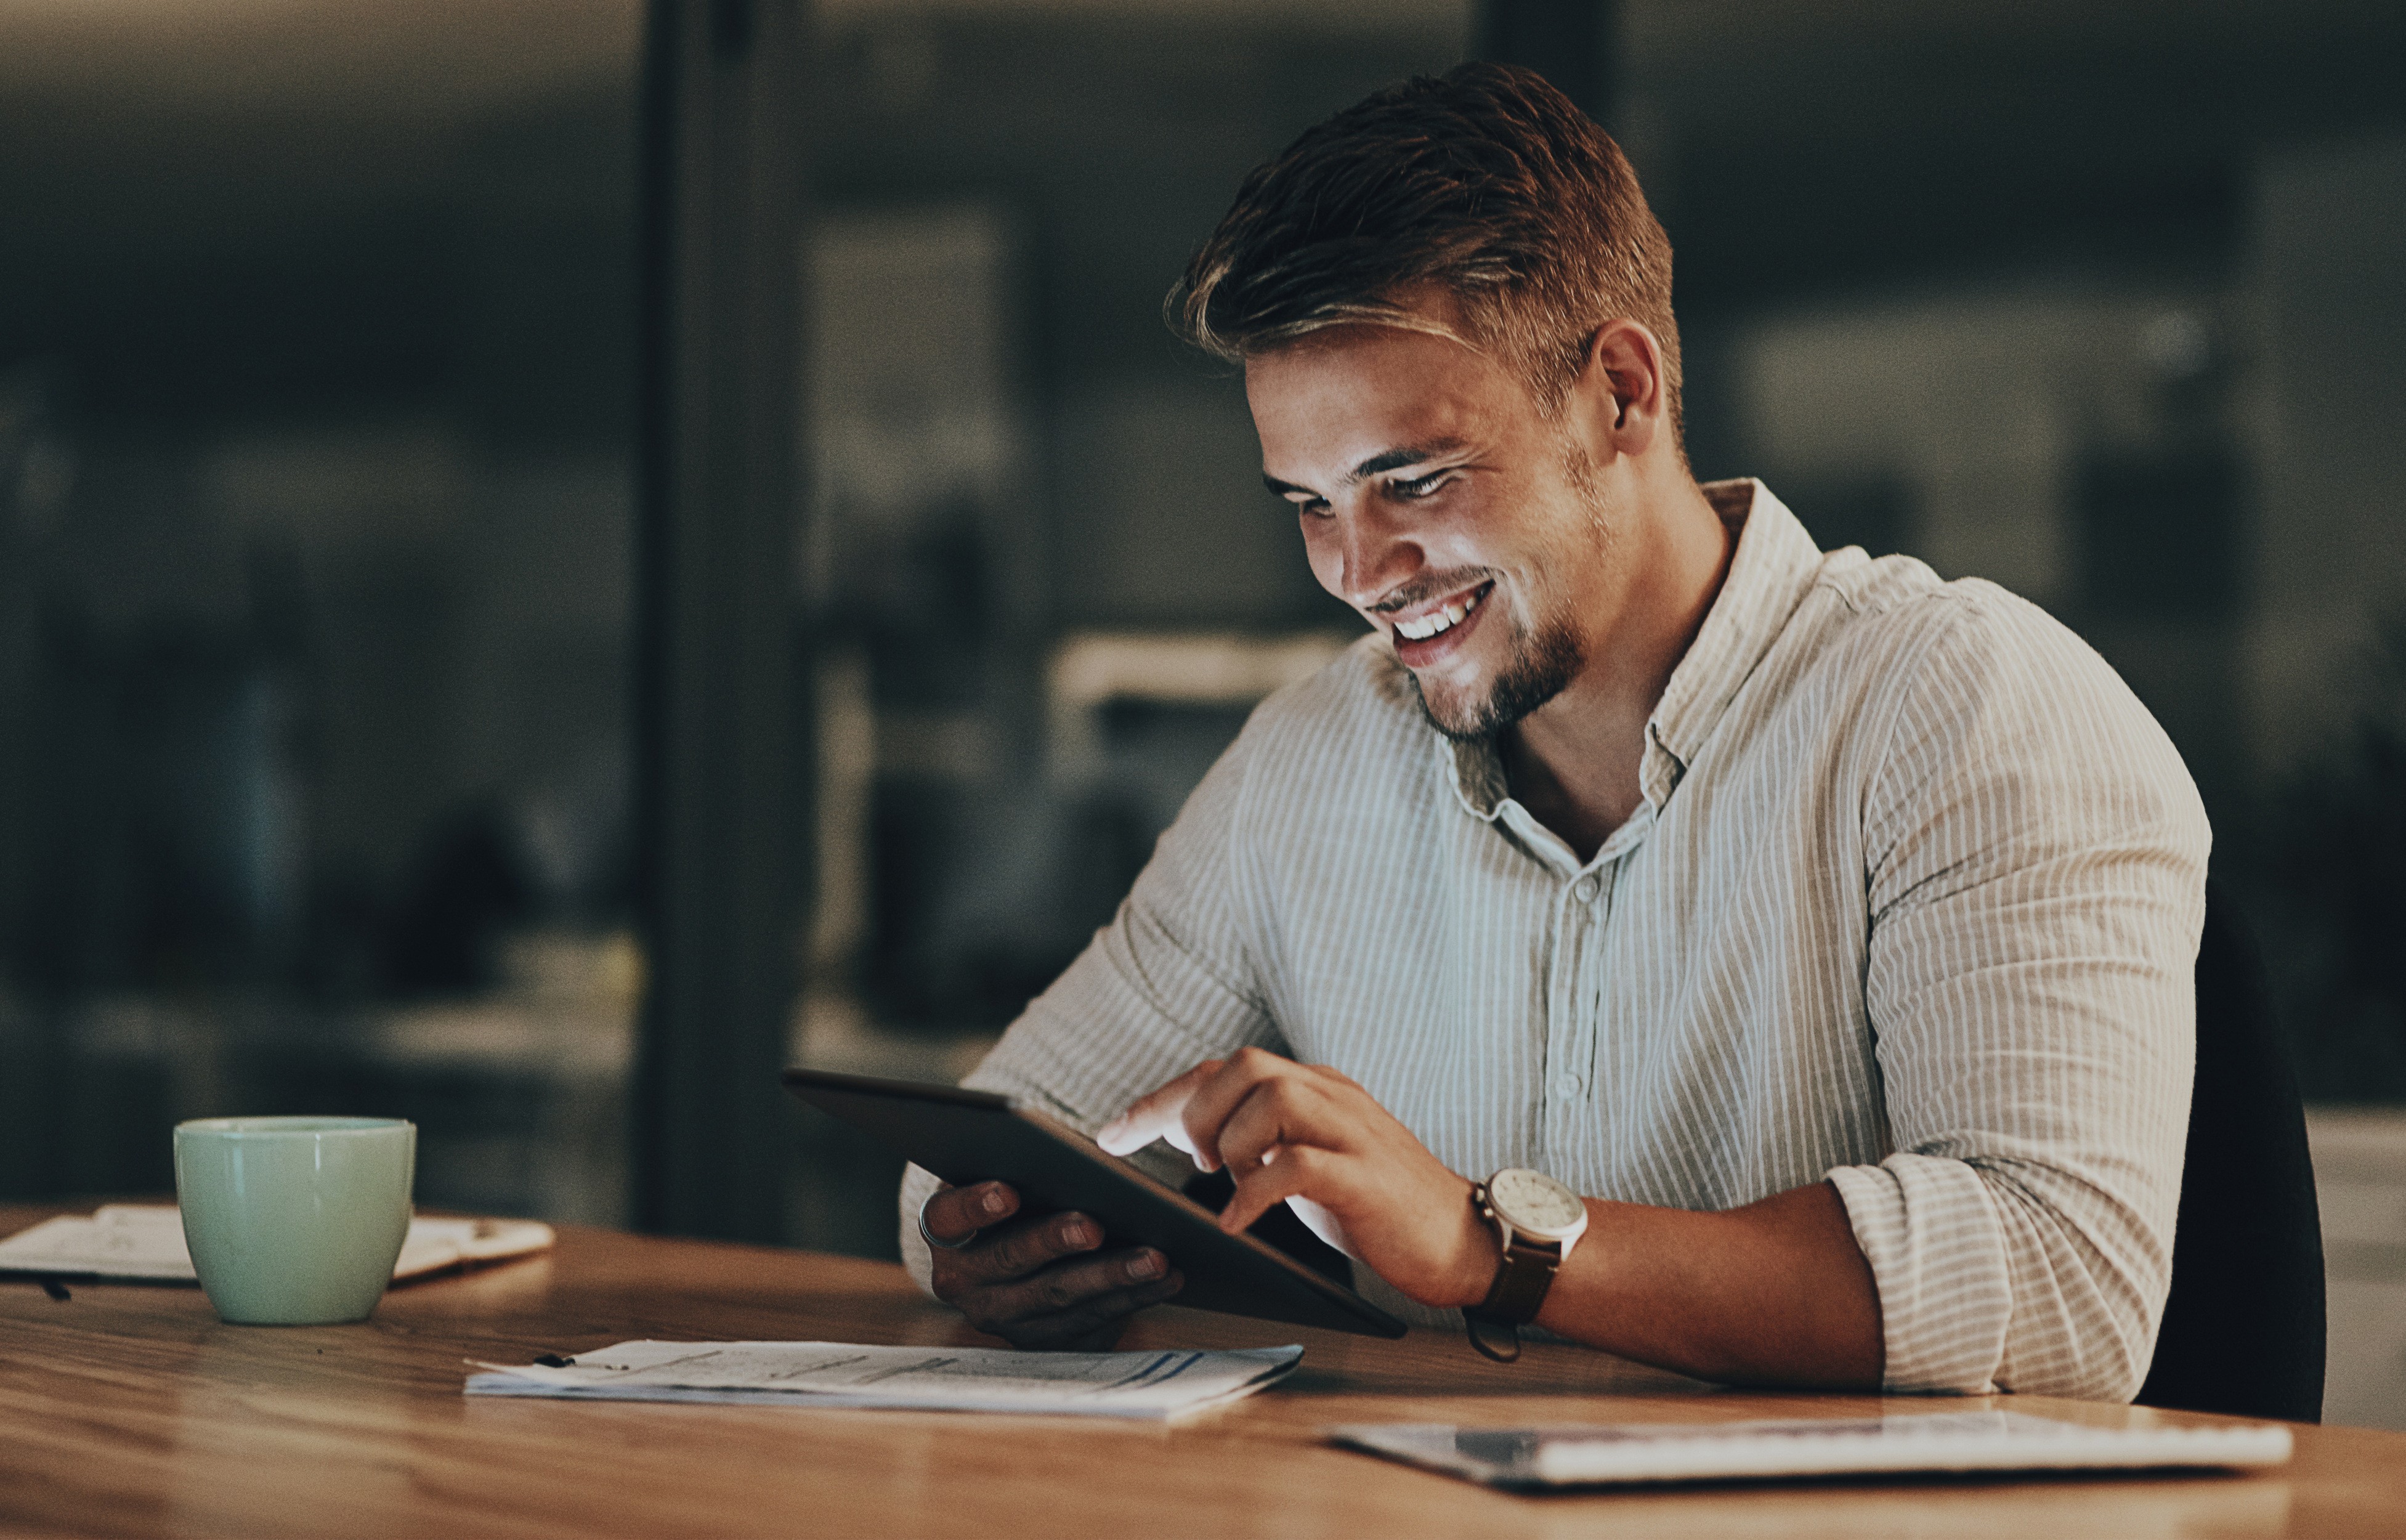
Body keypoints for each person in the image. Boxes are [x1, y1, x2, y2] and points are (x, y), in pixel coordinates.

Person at [901, 62, 2206, 1399]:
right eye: (1308, 502)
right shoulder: (1311, 756)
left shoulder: (1970, 710)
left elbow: (2064, 1287)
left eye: (1412, 480)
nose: (1360, 569)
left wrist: (1487, 1243)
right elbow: (984, 1146)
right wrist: (993, 1241)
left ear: (1621, 394)